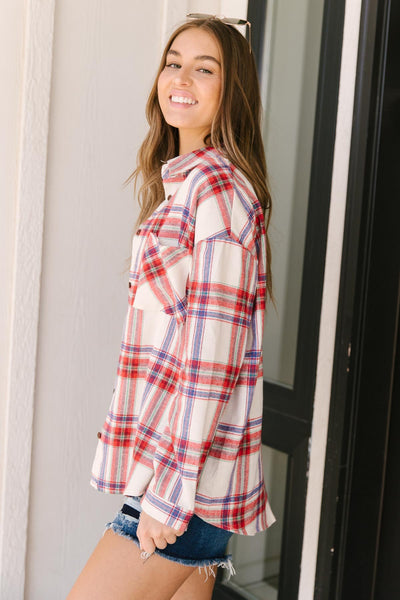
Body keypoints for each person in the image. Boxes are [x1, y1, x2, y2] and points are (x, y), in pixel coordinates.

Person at [67, 13, 275, 600]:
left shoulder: (215, 189)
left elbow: (211, 361)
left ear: (228, 91)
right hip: (185, 476)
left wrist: (169, 493)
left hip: (182, 485)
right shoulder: (190, 184)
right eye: (173, 62)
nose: (180, 77)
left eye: (203, 68)